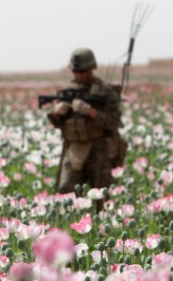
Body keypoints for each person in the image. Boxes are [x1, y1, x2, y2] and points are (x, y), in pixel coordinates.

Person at [47, 48, 124, 203]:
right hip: (74, 148)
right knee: (65, 192)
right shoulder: (68, 92)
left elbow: (114, 122)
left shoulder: (105, 92)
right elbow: (58, 123)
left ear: (91, 69)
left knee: (102, 197)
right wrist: (56, 113)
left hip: (99, 149)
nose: (79, 75)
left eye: (82, 71)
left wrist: (91, 112)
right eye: (76, 71)